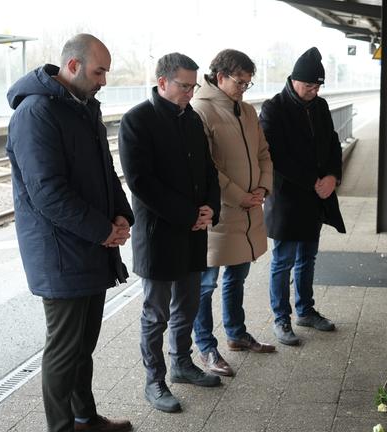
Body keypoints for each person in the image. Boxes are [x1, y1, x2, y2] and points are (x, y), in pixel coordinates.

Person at [5, 34, 133, 432]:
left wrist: (121, 215)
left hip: (91, 246)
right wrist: (102, 231)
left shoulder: (82, 109)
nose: (104, 81)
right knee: (63, 351)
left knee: (83, 347)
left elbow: (105, 172)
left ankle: (85, 418)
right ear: (73, 66)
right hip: (61, 252)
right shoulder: (36, 113)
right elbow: (47, 192)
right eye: (100, 71)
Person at [118, 52, 222, 414]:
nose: (190, 93)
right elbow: (141, 182)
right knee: (156, 313)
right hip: (160, 234)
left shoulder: (190, 118)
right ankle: (155, 380)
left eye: (194, 86)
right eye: (184, 86)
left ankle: (182, 364)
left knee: (188, 305)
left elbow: (209, 169)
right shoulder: (136, 121)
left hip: (193, 232)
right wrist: (189, 214)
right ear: (162, 82)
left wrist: (211, 208)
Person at [190, 49, 275, 377]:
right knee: (206, 283)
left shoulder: (248, 110)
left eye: (248, 83)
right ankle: (206, 347)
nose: (244, 88)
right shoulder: (201, 110)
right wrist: (241, 196)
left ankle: (237, 334)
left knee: (237, 276)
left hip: (249, 211)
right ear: (219, 76)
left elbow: (264, 153)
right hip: (221, 214)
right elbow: (206, 167)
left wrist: (263, 189)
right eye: (240, 82)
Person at [259, 47, 346, 346]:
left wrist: (333, 177)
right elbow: (276, 156)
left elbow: (333, 144)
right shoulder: (273, 109)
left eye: (318, 86)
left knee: (307, 257)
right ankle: (280, 318)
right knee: (283, 260)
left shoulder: (320, 107)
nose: (314, 91)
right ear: (294, 80)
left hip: (315, 198)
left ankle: (305, 310)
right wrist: (314, 181)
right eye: (309, 85)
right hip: (287, 199)